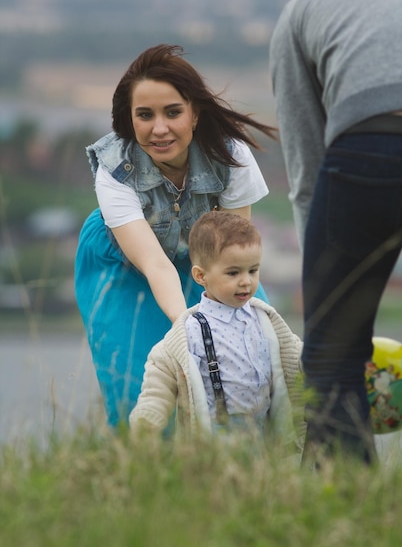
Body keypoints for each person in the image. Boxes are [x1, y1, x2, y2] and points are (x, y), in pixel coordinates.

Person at [269, 0, 402, 463]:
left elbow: (308, 165)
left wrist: (324, 284)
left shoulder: (306, 5)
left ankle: (348, 521)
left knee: (333, 359)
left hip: (365, 148)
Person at [75, 44, 277, 428]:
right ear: (130, 120)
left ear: (195, 114)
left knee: (254, 364)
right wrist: (192, 327)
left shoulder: (230, 155)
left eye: (173, 112)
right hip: (125, 266)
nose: (160, 128)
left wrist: (222, 324)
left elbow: (231, 253)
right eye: (145, 115)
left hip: (209, 261)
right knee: (138, 387)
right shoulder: (114, 170)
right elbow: (153, 264)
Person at [129, 211, 304, 449]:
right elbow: (157, 386)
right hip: (212, 448)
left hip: (265, 443)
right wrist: (146, 428)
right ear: (201, 275)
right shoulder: (189, 332)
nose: (246, 281)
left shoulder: (265, 320)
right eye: (233, 273)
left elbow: (299, 356)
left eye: (253, 270)